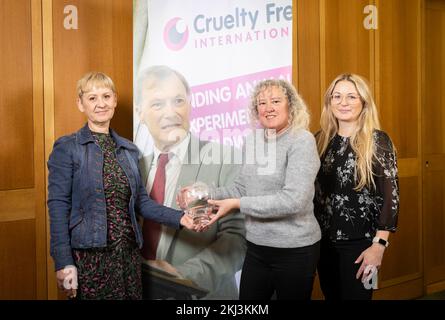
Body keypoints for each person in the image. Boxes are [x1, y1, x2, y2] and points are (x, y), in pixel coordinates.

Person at [47, 72, 194, 300]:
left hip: (128, 257)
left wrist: (181, 218)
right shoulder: (68, 148)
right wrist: (63, 262)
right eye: (92, 98)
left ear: (115, 100)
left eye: (106, 96)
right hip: (90, 260)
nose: (100, 104)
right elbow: (58, 207)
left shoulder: (128, 150)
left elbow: (142, 203)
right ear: (80, 103)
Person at [198, 79, 321, 300]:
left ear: (290, 105)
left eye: (275, 101)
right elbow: (241, 187)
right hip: (256, 247)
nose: (268, 108)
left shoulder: (302, 141)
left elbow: (294, 200)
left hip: (295, 251)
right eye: (262, 103)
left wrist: (238, 204)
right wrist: (203, 193)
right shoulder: (252, 140)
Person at [135, 65, 246, 299]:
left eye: (178, 101)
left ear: (190, 104)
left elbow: (238, 240)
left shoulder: (227, 159)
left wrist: (182, 277)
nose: (171, 112)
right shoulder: (133, 167)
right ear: (140, 112)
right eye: (157, 104)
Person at [313, 73, 399, 300]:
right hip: (323, 245)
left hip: (363, 247)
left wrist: (379, 246)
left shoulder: (378, 141)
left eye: (351, 96)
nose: (343, 103)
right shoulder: (319, 140)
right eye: (337, 96)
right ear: (329, 102)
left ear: (364, 102)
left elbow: (391, 199)